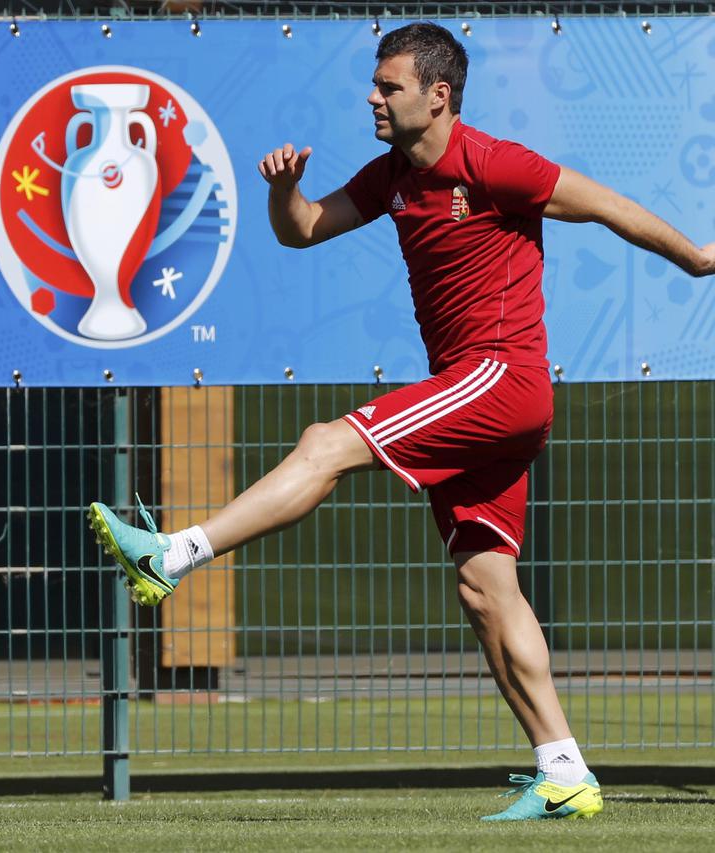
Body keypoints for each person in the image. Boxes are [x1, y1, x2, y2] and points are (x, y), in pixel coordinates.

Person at [89, 22, 714, 822]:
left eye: (389, 87)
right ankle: (564, 769)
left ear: (438, 95)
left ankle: (176, 552)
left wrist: (697, 259)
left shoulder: (495, 163)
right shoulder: (391, 176)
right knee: (486, 588)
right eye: (375, 84)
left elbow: (610, 208)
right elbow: (305, 228)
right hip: (481, 395)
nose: (373, 97)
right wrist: (284, 192)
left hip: (500, 377)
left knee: (323, 443)